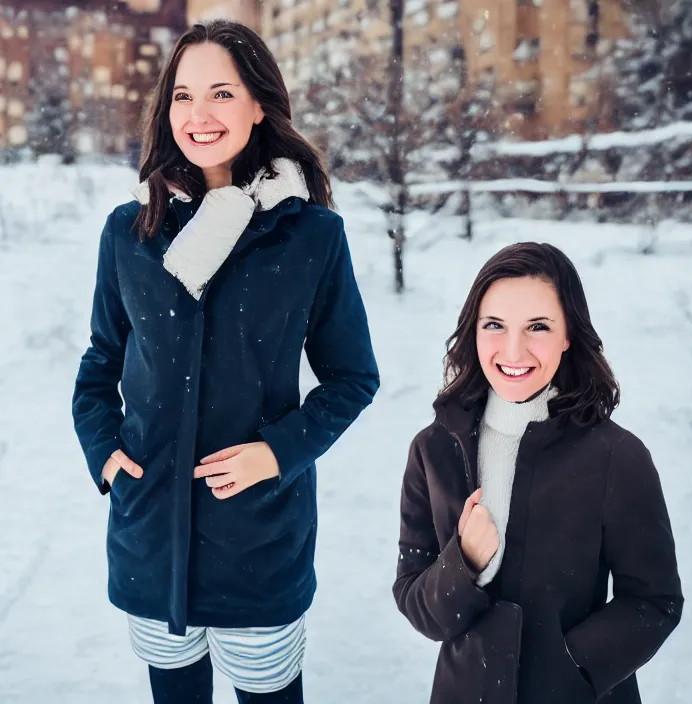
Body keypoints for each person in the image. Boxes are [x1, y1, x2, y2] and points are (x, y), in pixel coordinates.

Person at [72, 20, 379, 704]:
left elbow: (353, 378)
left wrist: (277, 453)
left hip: (259, 544)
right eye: (183, 96)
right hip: (149, 537)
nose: (198, 115)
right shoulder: (131, 232)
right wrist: (103, 450)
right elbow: (100, 362)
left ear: (258, 104)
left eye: (221, 93)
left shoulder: (310, 237)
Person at [393, 242, 682, 704]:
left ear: (568, 334)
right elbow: (416, 602)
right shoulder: (434, 449)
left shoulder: (617, 456)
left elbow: (655, 602)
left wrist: (570, 667)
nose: (514, 350)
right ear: (474, 331)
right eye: (495, 326)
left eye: (539, 327)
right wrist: (463, 561)